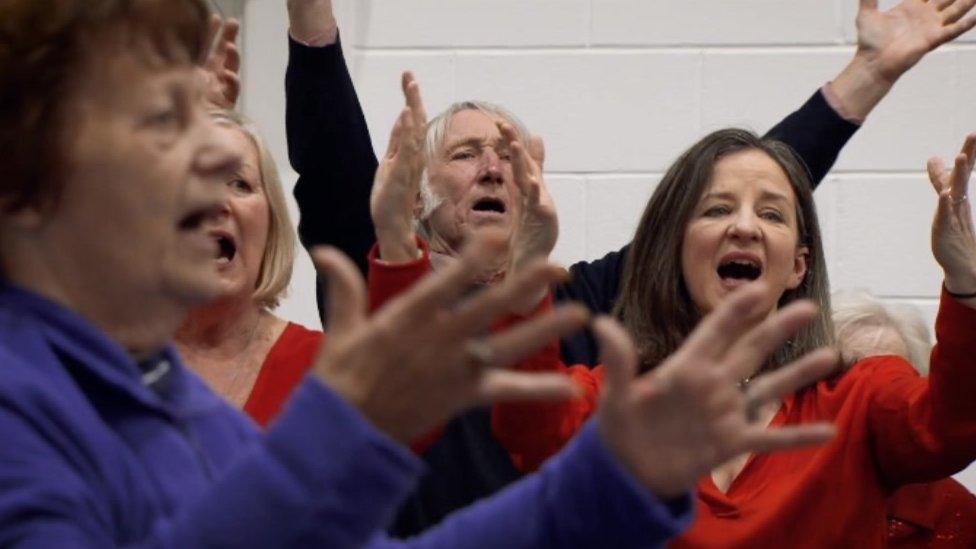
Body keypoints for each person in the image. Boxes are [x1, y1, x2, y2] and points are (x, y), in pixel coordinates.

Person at [0, 1, 842, 546]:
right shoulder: (21, 402)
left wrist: (612, 475)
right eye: (163, 120)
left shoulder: (161, 395)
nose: (225, 146)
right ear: (25, 180)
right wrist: (346, 430)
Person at [285, 0, 976, 535]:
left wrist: (871, 72)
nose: (492, 163)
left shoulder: (578, 304)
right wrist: (310, 16)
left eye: (507, 151)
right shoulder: (379, 286)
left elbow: (731, 199)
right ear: (414, 194)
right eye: (465, 155)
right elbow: (331, 167)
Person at [476, 128, 976, 546]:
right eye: (717, 210)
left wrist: (966, 284)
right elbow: (529, 427)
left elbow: (950, 427)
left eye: (772, 214)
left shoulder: (858, 401)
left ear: (797, 267)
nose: (744, 227)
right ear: (675, 250)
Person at [174, 109, 323, 427]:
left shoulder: (323, 370)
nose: (217, 201)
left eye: (240, 184)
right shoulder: (107, 363)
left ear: (271, 224)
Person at [831, 290, 976, 548]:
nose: (864, 401)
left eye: (890, 383)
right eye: (844, 381)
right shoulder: (771, 495)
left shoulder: (957, 513)